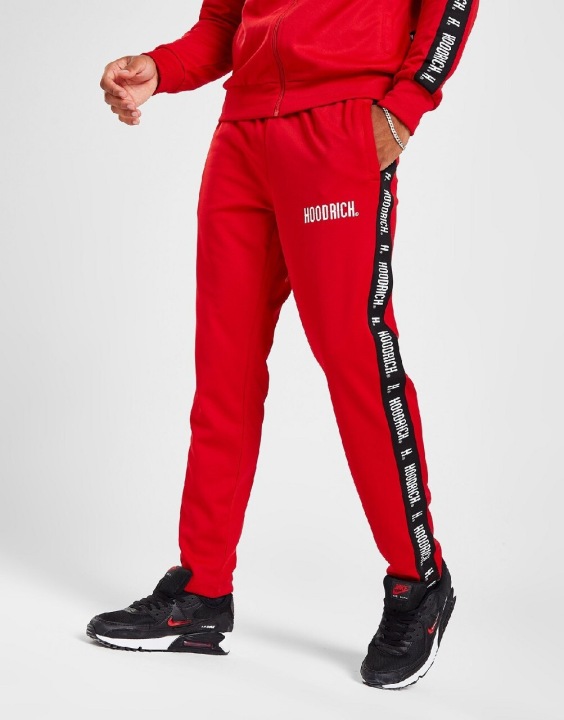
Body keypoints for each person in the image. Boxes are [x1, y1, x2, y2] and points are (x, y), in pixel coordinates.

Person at [89, 0, 479, 689]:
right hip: (242, 136)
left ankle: (418, 580)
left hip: (339, 128)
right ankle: (202, 591)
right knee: (224, 371)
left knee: (354, 360)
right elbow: (223, 25)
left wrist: (404, 105)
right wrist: (159, 68)